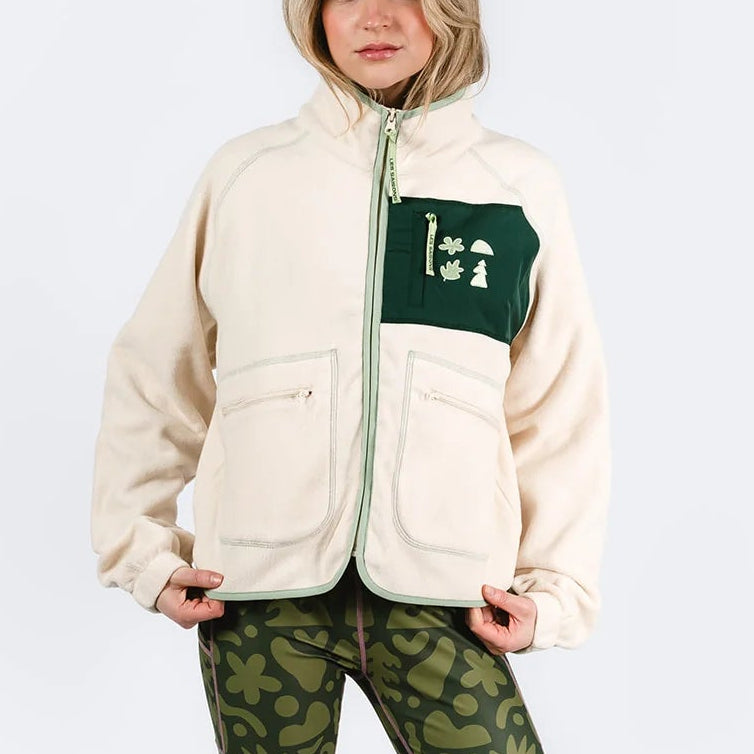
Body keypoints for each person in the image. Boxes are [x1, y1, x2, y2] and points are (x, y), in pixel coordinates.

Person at [89, 1, 611, 752]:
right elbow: (157, 372)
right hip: (259, 598)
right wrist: (143, 554)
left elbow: (559, 406)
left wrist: (555, 590)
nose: (375, 17)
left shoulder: (516, 185)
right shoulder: (247, 175)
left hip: (450, 597)